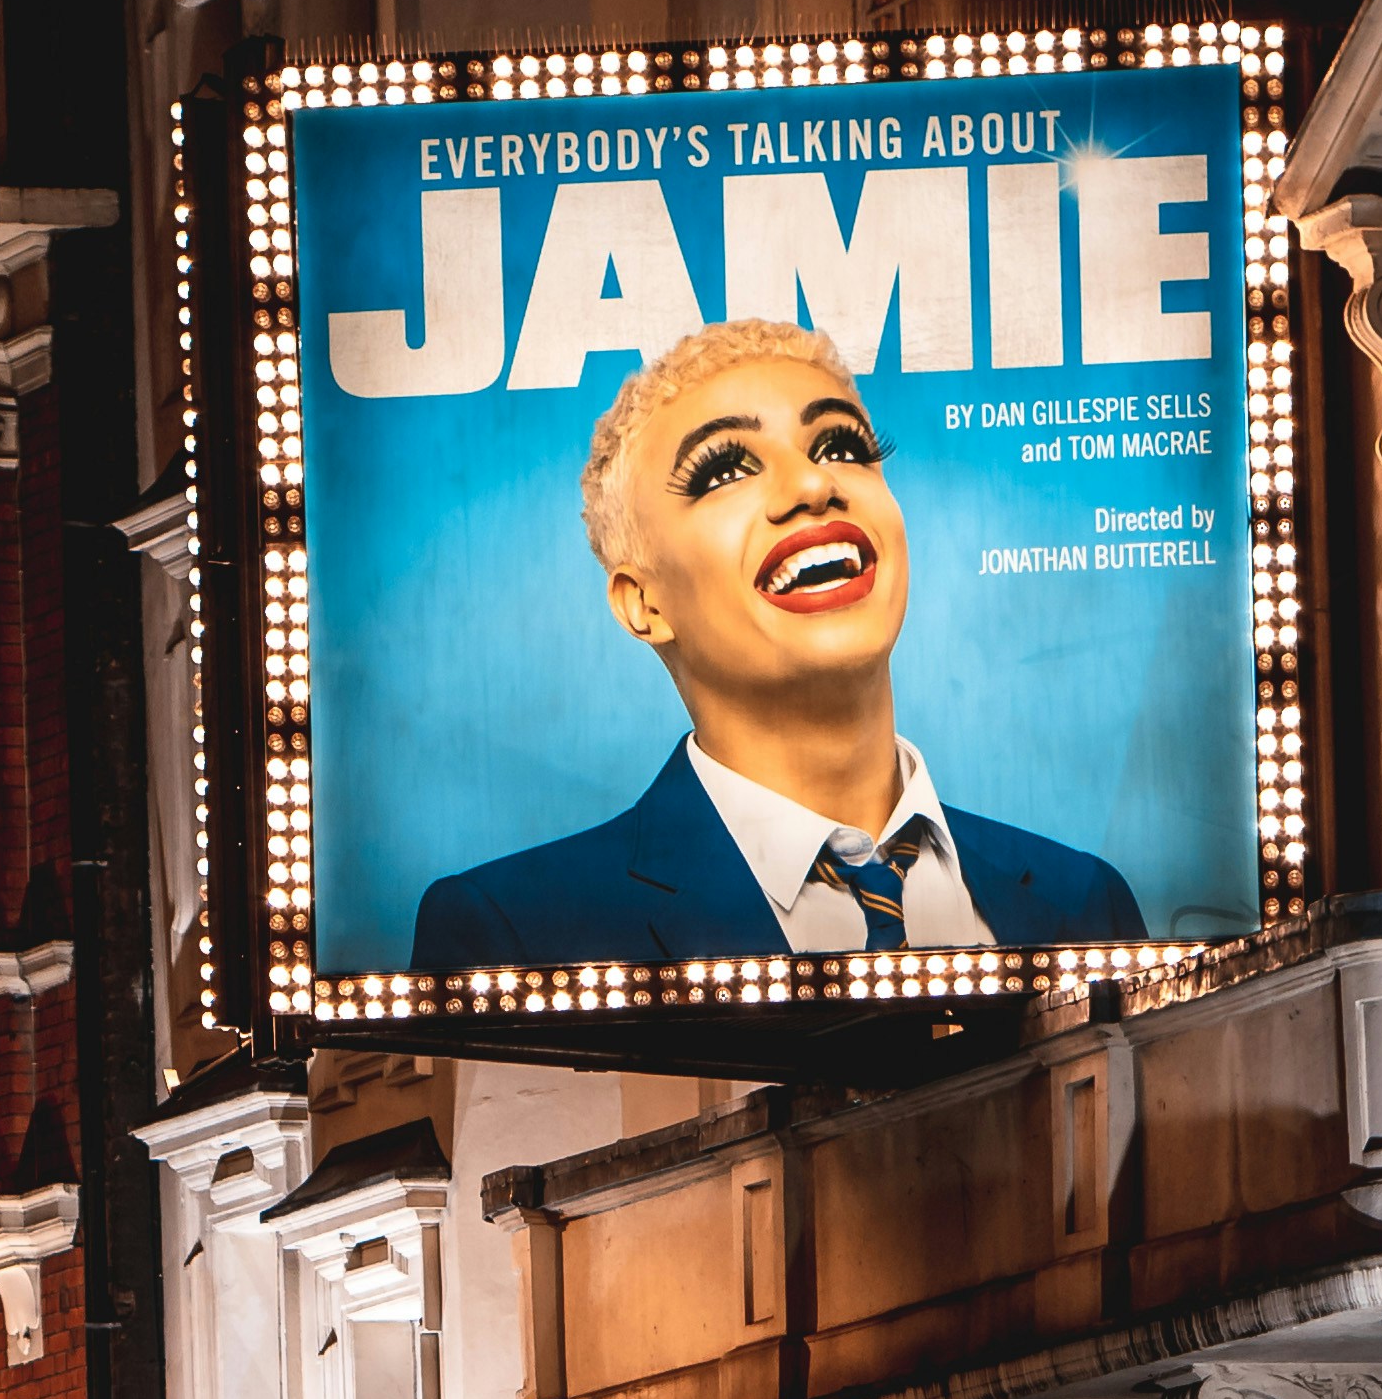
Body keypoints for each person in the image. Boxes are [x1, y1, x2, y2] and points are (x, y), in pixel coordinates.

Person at [408, 321, 1146, 972]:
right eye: (726, 469)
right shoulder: (511, 930)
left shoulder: (1085, 901)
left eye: (843, 446)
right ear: (643, 603)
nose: (813, 484)